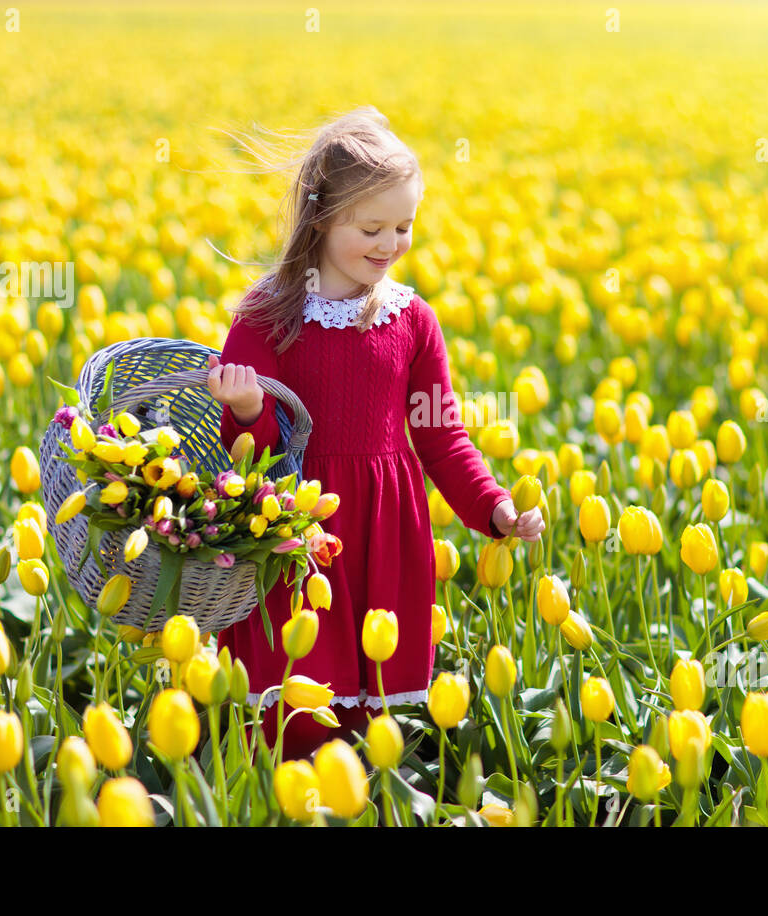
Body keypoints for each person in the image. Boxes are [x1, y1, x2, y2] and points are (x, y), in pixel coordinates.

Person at [207, 106, 544, 761]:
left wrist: (494, 506)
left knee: (375, 709)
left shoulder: (412, 320)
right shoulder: (267, 314)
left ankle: (367, 797)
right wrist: (247, 409)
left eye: (404, 227)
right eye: (372, 227)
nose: (390, 244)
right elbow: (249, 459)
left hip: (386, 531)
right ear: (322, 217)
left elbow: (442, 438)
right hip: (296, 533)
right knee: (297, 706)